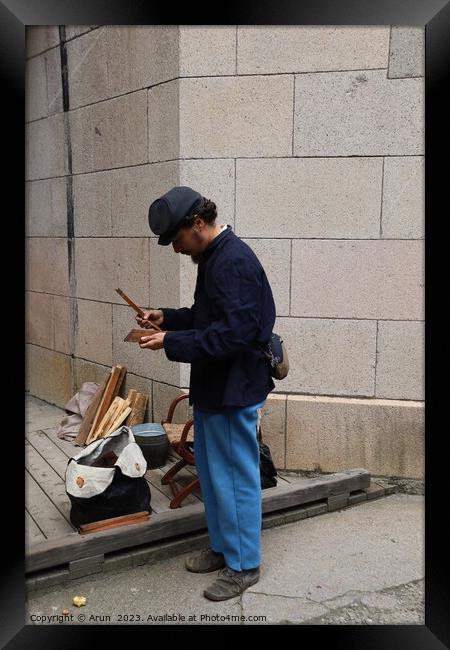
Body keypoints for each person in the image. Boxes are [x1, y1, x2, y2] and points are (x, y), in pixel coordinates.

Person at [138, 185, 276, 601]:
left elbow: (233, 335)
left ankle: (244, 564)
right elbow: (206, 316)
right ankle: (222, 549)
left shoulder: (233, 261)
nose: (176, 249)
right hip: (218, 386)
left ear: (197, 224)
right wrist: (169, 319)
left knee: (236, 479)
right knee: (215, 478)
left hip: (235, 388)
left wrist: (170, 343)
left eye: (176, 239)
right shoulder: (214, 257)